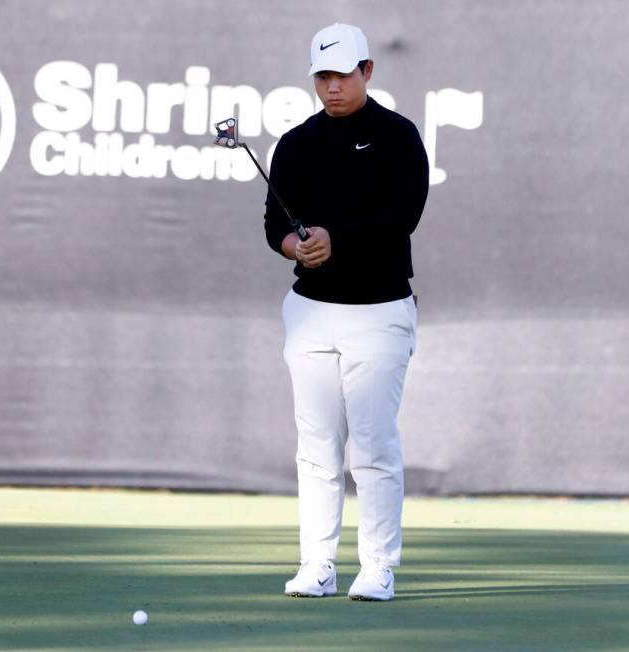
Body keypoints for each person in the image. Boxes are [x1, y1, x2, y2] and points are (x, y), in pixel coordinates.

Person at [264, 22, 429, 601]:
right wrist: (296, 245)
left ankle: (379, 565)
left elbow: (402, 215)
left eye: (342, 75)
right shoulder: (296, 143)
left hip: (380, 309)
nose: (332, 88)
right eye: (322, 77)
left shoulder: (398, 137)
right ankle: (318, 564)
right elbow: (273, 226)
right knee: (316, 445)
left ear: (368, 72)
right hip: (310, 313)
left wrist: (337, 239)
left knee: (373, 444)